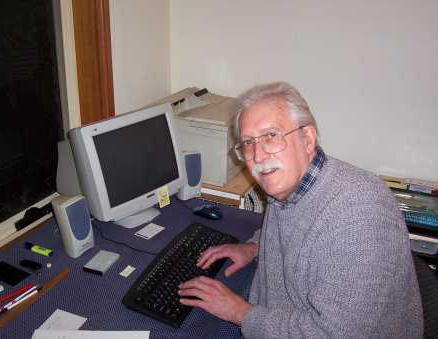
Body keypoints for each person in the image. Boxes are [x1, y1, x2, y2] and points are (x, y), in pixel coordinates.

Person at [178, 81, 423, 338]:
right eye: (248, 142)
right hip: (274, 311)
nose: (258, 156)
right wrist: (253, 247)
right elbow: (297, 232)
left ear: (307, 139)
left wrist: (239, 312)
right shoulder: (290, 184)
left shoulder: (359, 213)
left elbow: (331, 334)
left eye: (271, 135)